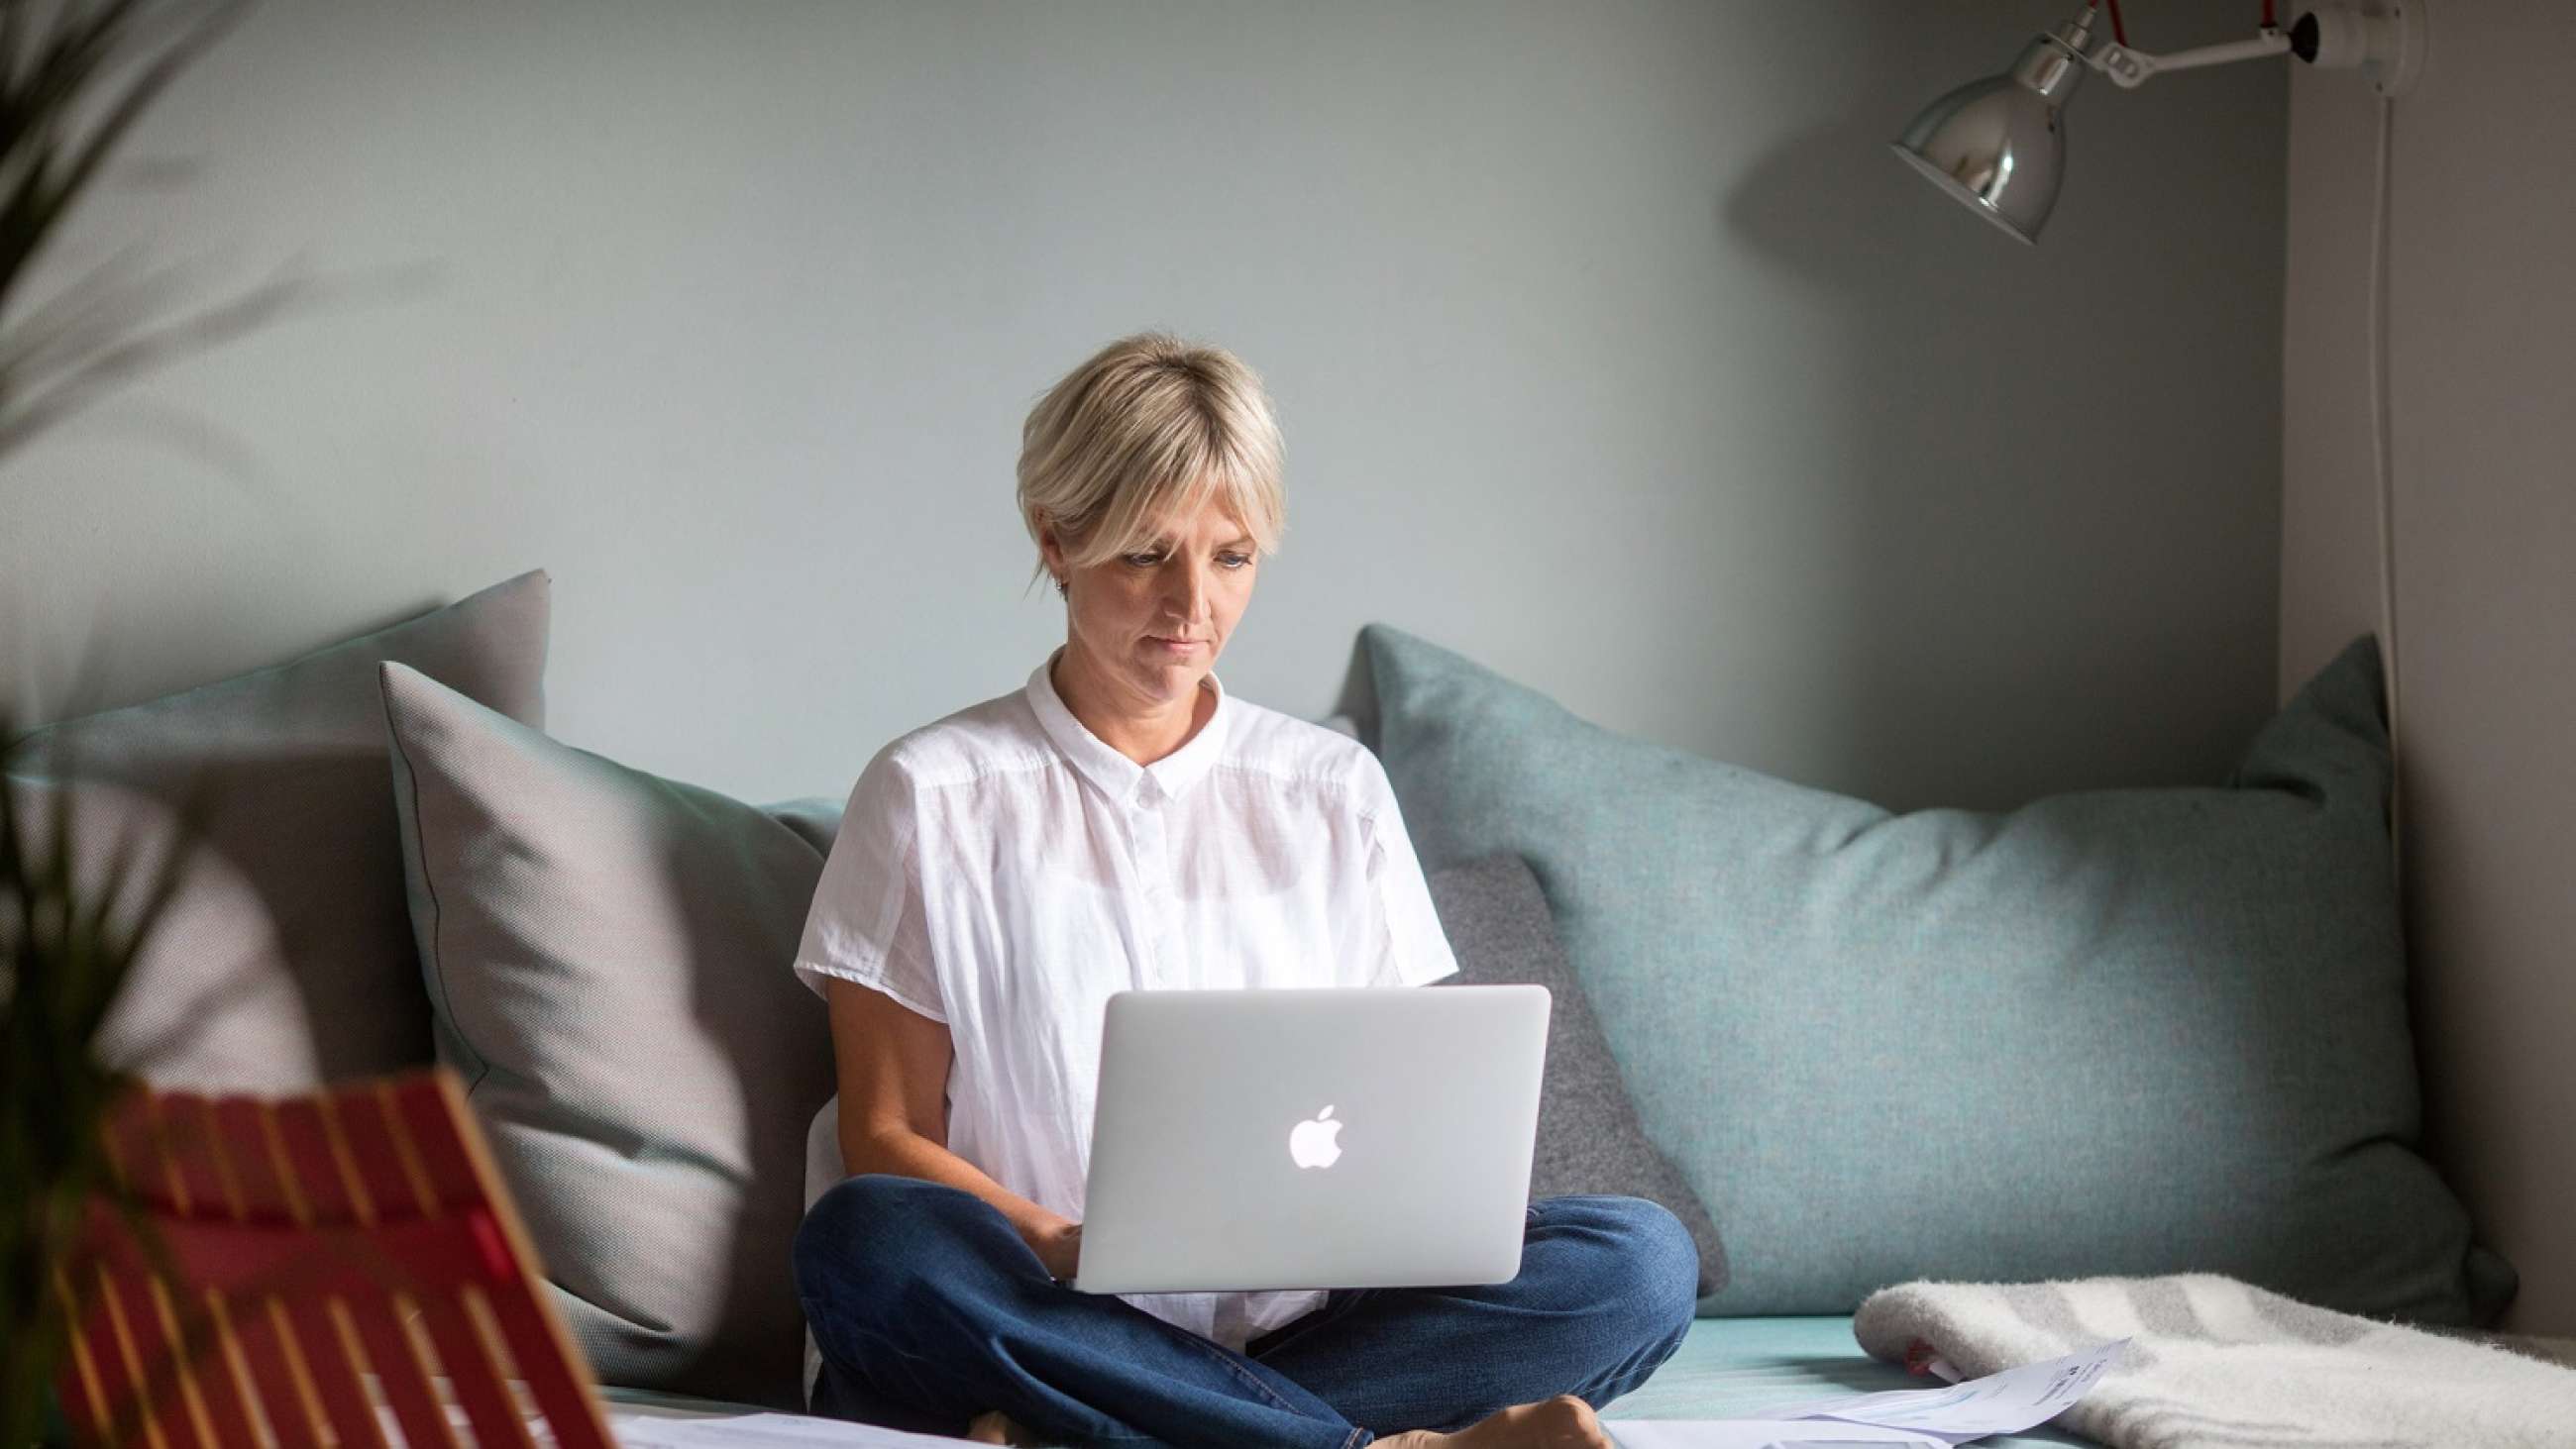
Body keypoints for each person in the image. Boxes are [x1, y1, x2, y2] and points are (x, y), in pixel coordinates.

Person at [790, 332, 1695, 1449]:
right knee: (868, 1243)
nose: (1189, 604)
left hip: (1302, 1329)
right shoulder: (928, 791)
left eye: (1230, 557)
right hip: (1036, 1302)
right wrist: (1064, 1238)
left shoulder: (1331, 789)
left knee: (1639, 1264)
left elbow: (1401, 1120)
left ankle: (1120, 1425)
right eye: (1143, 555)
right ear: (1055, 538)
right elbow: (885, 1133)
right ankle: (1342, 1444)